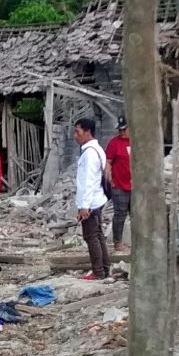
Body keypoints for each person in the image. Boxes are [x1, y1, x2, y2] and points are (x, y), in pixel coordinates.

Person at [74, 118, 110, 279]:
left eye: (78, 132)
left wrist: (84, 206)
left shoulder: (89, 153)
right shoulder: (97, 150)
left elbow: (88, 182)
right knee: (98, 235)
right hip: (97, 198)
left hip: (92, 201)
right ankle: (104, 267)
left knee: (91, 236)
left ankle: (98, 271)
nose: (75, 136)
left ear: (88, 132)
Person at [104, 115, 132, 253]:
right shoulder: (114, 143)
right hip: (119, 185)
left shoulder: (137, 142)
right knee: (120, 215)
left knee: (137, 215)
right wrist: (110, 179)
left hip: (136, 186)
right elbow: (108, 162)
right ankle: (117, 242)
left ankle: (138, 241)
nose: (121, 132)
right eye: (120, 130)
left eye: (124, 129)